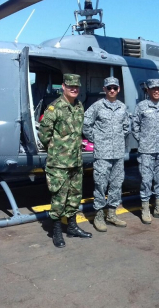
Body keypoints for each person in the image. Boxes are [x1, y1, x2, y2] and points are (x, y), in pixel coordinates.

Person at [38, 73, 92, 248]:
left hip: (76, 161)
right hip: (59, 162)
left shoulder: (79, 107)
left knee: (74, 196)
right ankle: (56, 231)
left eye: (76, 87)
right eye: (70, 86)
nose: (74, 89)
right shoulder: (54, 108)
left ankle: (72, 226)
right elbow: (44, 135)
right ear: (63, 87)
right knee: (59, 198)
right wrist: (56, 150)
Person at [83, 77, 130, 232]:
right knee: (101, 183)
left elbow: (126, 127)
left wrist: (117, 140)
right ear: (104, 89)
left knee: (116, 184)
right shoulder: (97, 106)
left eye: (114, 88)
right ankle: (98, 215)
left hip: (118, 153)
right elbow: (86, 124)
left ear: (118, 90)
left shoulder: (122, 107)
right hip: (102, 153)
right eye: (109, 88)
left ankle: (111, 214)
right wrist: (96, 139)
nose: (112, 90)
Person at [132, 79, 159, 224]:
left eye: (158, 89)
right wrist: (142, 140)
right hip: (146, 150)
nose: (156, 91)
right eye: (153, 89)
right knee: (146, 180)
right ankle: (145, 209)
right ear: (148, 90)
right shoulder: (141, 106)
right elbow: (135, 126)